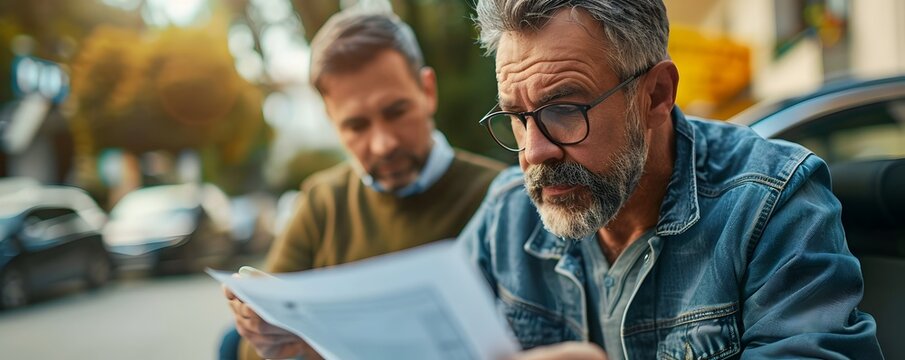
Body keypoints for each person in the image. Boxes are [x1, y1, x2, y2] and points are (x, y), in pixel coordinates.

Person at [459, 0, 883, 359]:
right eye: (516, 116)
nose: (534, 152)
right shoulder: (507, 215)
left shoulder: (771, 201)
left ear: (656, 95)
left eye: (565, 109)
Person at [221, 8, 505, 360]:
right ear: (331, 121)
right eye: (356, 125)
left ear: (427, 91)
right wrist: (275, 339)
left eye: (396, 111)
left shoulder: (500, 198)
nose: (383, 144)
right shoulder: (320, 203)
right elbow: (251, 350)